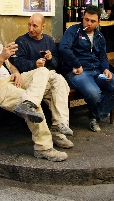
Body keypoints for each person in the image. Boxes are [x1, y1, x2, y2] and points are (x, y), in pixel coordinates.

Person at [0, 14, 71, 162]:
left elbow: (10, 65)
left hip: (13, 80)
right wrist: (1, 58)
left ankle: (58, 126)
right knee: (31, 103)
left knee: (51, 75)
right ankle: (43, 148)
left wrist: (16, 72)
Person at [59, 5, 114, 132]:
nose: (88, 23)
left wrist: (106, 69)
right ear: (83, 18)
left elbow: (103, 57)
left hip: (97, 73)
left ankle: (95, 115)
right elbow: (63, 48)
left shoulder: (99, 36)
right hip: (78, 73)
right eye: (86, 19)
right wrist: (77, 64)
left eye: (92, 21)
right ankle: (96, 116)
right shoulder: (73, 31)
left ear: (98, 22)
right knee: (94, 93)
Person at [12, 13, 73, 149]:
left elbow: (56, 64)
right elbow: (18, 63)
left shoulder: (48, 41)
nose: (31, 28)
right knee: (57, 82)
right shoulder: (21, 41)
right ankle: (59, 130)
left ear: (43, 26)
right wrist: (35, 64)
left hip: (47, 81)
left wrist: (50, 59)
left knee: (59, 84)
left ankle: (59, 127)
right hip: (31, 82)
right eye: (29, 24)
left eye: (35, 26)